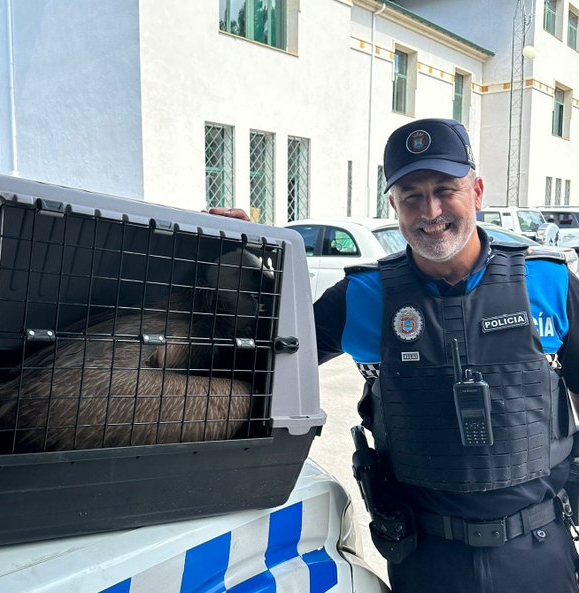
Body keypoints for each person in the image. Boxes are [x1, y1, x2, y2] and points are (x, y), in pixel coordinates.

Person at [210, 118, 579, 592]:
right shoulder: (362, 297)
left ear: (478, 191)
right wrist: (224, 256)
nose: (431, 211)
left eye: (446, 189)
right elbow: (259, 353)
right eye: (411, 196)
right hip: (425, 561)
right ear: (393, 205)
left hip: (541, 554)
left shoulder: (547, 283)